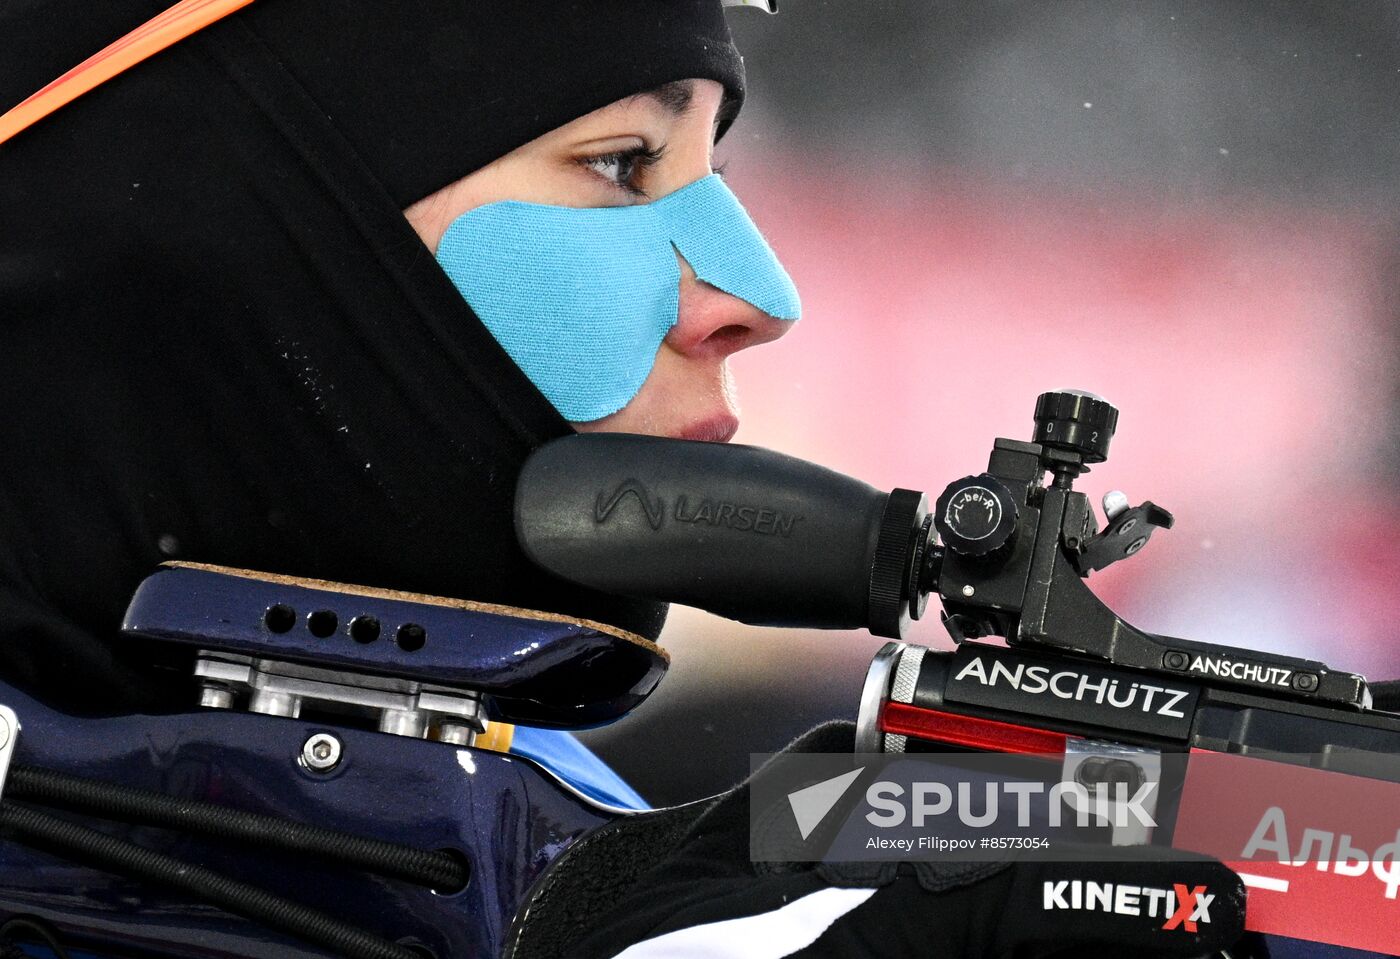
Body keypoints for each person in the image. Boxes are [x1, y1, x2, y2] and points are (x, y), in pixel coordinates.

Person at [0, 1, 1249, 956]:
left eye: (717, 171)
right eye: (619, 164)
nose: (756, 296)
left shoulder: (526, 824)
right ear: (229, 236)